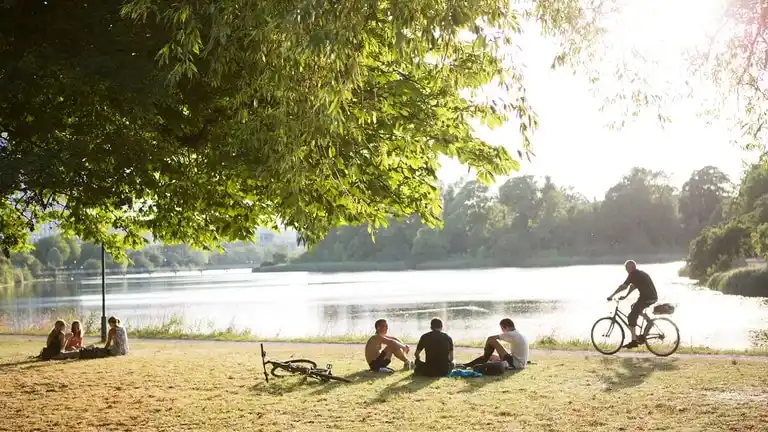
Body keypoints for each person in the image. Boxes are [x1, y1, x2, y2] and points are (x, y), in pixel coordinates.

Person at [607, 259, 658, 349]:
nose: (626, 270)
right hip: (651, 297)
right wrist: (625, 296)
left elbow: (623, 286)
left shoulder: (633, 274)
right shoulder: (639, 274)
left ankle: (634, 341)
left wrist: (612, 295)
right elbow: (633, 286)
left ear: (631, 267)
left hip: (646, 298)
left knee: (631, 317)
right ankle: (649, 321)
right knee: (634, 307)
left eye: (626, 268)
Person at [463, 318, 529, 370]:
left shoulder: (511, 334)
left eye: (502, 329)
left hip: (515, 364)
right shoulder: (517, 333)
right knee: (492, 356)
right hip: (519, 363)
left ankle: (483, 358)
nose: (502, 332)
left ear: (505, 327)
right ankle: (470, 364)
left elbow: (491, 339)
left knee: (491, 340)